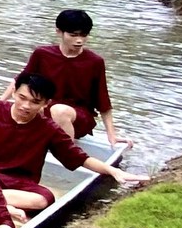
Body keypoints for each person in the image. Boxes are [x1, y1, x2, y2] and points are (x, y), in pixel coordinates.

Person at [0, 71, 146, 214]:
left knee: (44, 199)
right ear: (14, 92)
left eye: (35, 102)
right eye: (21, 97)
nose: (25, 106)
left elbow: (79, 158)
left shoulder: (48, 128)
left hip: (18, 183)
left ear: (46, 104)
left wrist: (112, 171)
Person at [9, 8, 131, 147]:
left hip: (78, 116)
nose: (79, 40)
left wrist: (112, 135)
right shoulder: (42, 54)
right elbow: (20, 82)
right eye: (73, 35)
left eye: (84, 35)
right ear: (59, 32)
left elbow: (103, 101)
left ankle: (68, 156)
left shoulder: (95, 62)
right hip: (46, 109)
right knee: (27, 107)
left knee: (59, 111)